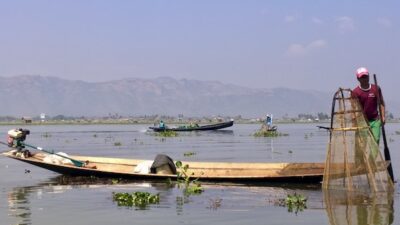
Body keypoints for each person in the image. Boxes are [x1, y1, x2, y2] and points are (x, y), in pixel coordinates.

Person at [351, 67, 385, 144]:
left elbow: (381, 103)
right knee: (361, 144)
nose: (364, 79)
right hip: (361, 121)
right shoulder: (355, 92)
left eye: (365, 76)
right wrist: (354, 121)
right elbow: (353, 109)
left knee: (375, 141)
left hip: (374, 120)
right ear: (358, 79)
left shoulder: (376, 88)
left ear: (368, 76)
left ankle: (372, 157)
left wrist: (383, 117)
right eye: (362, 77)